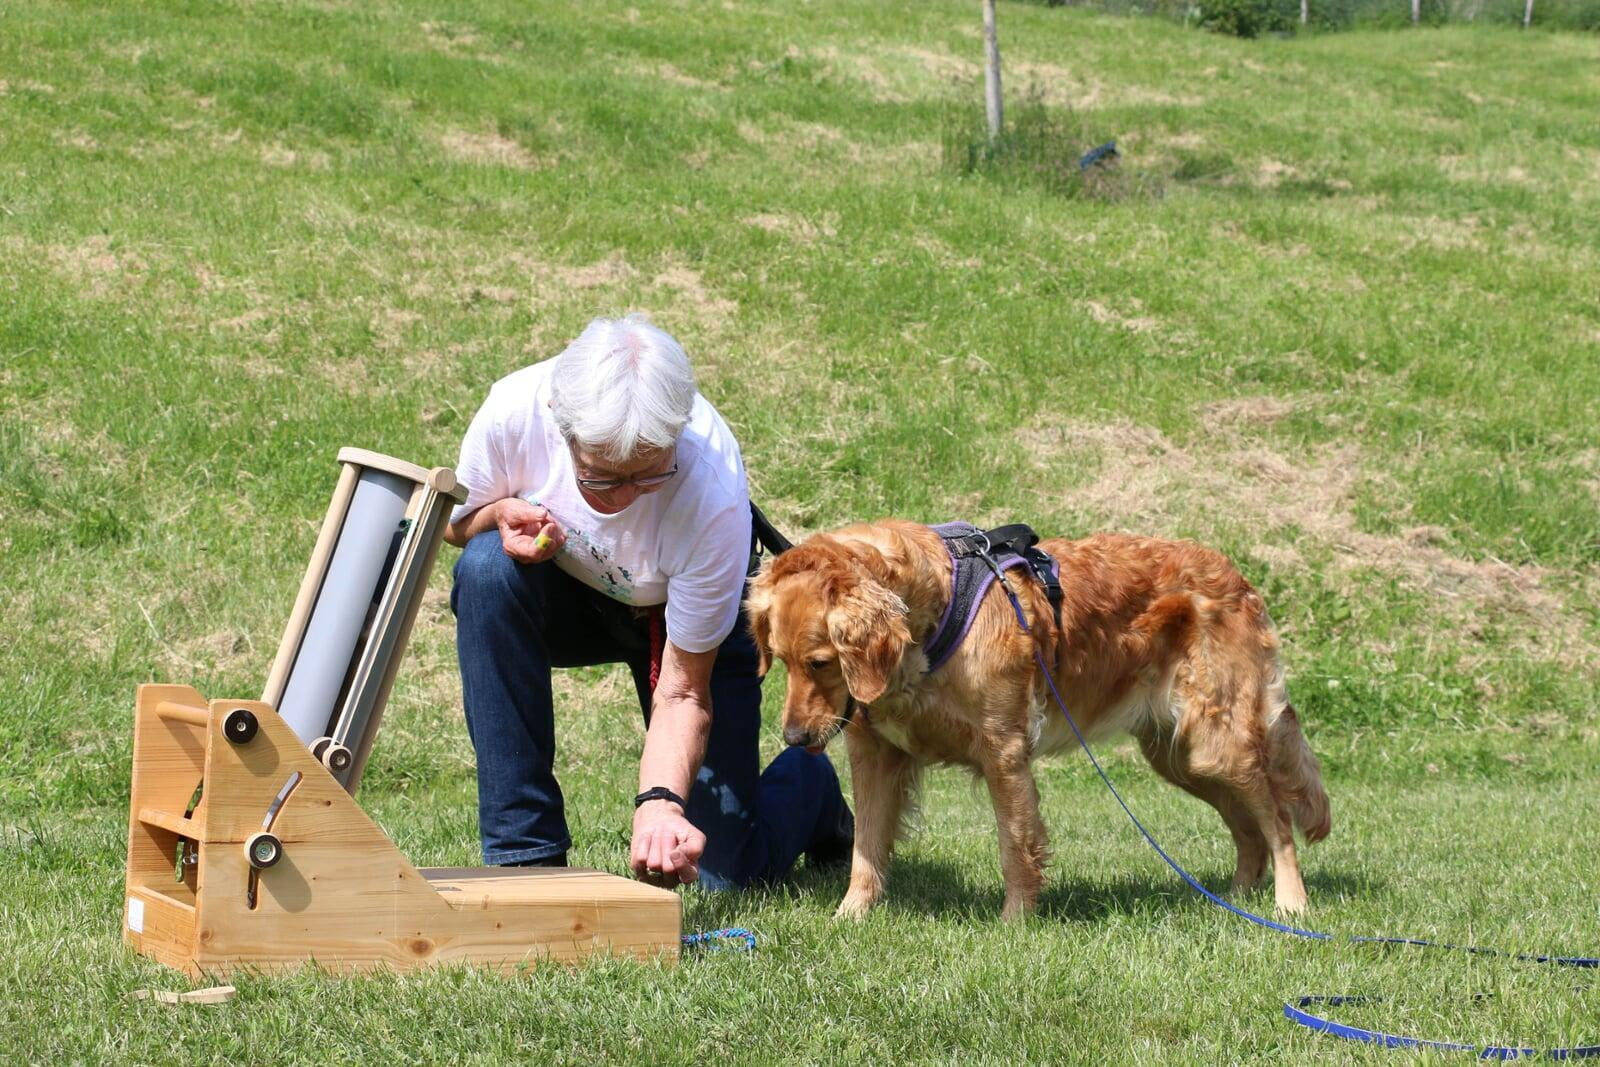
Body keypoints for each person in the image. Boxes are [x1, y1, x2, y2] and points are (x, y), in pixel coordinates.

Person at [444, 313, 853, 889]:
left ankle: (812, 792)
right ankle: (525, 859)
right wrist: (495, 516)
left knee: (722, 875)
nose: (628, 497)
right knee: (485, 570)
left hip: (685, 628)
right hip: (572, 601)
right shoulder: (515, 410)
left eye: (650, 476)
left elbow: (684, 692)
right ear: (563, 433)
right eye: (603, 479)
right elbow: (454, 523)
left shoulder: (713, 490)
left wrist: (660, 804)